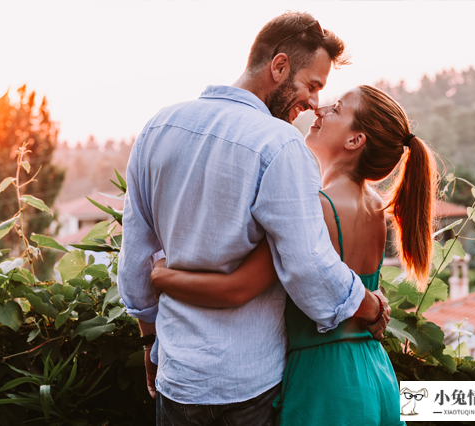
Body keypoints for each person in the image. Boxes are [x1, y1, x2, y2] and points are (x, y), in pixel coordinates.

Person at [117, 11, 390, 425]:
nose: (313, 103)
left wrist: (150, 343)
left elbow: (136, 255)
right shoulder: (279, 144)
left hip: (177, 378)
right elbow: (308, 266)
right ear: (278, 67)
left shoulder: (157, 126)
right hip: (250, 384)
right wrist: (368, 306)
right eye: (312, 86)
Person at [151, 85, 440, 425]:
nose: (320, 110)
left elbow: (236, 288)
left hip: (325, 380)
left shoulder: (315, 208)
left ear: (355, 140)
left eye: (336, 109)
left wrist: (161, 275)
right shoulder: (373, 204)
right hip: (372, 370)